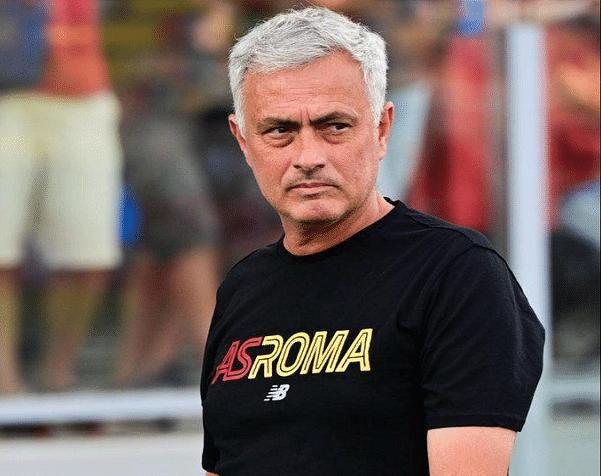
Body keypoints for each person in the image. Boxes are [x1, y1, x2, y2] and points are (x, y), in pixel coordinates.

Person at [200, 7, 544, 476]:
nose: (308, 157)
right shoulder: (242, 288)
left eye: (335, 126)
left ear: (382, 129)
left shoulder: (456, 275)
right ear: (243, 141)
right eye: (280, 130)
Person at [0, 0, 122, 393]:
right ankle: (6, 385)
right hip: (6, 94)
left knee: (88, 252)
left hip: (81, 90)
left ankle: (58, 376)